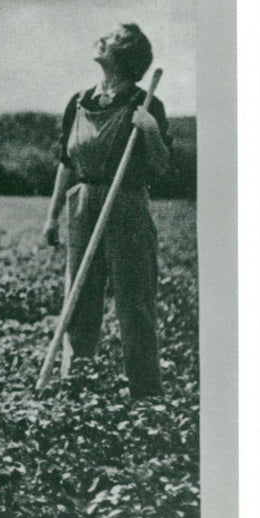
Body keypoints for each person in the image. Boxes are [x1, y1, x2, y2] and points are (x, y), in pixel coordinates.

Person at [42, 23, 172, 400]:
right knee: (79, 301)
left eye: (112, 38)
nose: (101, 39)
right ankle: (75, 389)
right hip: (82, 202)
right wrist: (52, 217)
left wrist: (149, 130)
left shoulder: (145, 105)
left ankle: (147, 396)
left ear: (126, 56)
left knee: (134, 304)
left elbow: (163, 167)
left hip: (126, 204)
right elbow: (66, 163)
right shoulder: (80, 101)